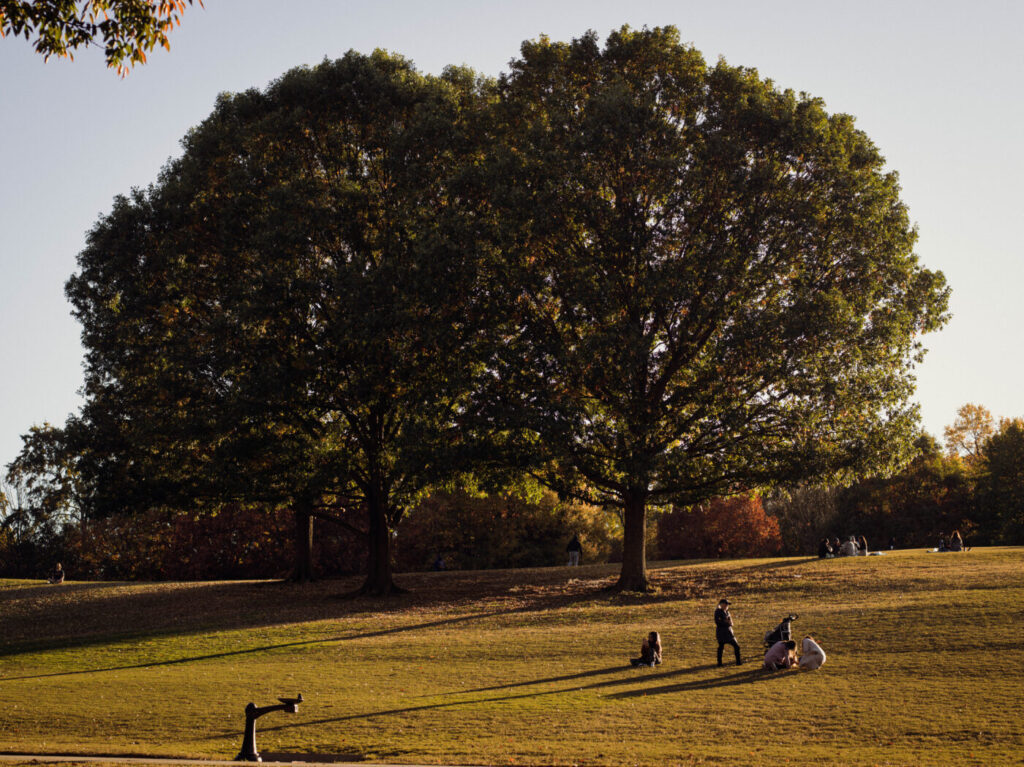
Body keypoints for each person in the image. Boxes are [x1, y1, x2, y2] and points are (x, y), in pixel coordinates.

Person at [714, 598, 742, 666]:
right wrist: (727, 622)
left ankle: (738, 662)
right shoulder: (718, 612)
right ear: (721, 604)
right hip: (721, 633)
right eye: (726, 604)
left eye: (727, 605)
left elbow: (730, 622)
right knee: (721, 647)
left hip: (729, 632)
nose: (727, 606)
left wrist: (728, 623)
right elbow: (718, 622)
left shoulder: (727, 612)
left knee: (736, 646)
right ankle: (719, 663)